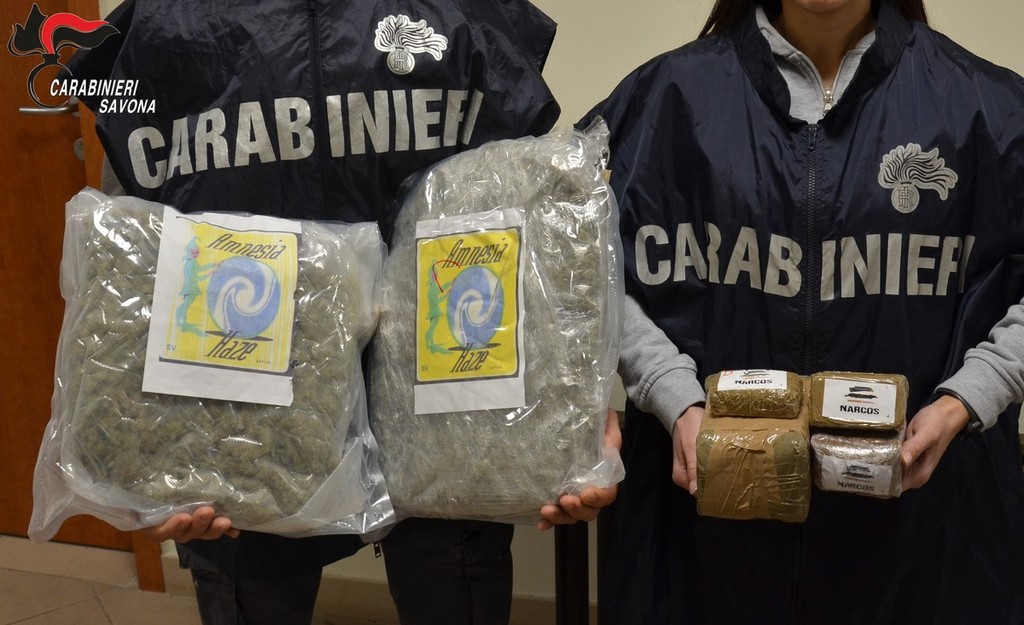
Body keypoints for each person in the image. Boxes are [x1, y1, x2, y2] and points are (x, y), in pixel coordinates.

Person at [65, 1, 617, 624]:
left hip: (448, 401)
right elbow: (133, 245)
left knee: (451, 584)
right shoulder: (167, 24)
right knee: (253, 588)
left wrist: (575, 404)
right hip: (240, 414)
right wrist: (138, 446)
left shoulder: (464, 16)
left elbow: (533, 221)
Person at [587, 0, 1024, 623]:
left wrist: (970, 396)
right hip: (703, 545)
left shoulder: (989, 108)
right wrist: (671, 393)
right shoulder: (663, 102)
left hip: (924, 542)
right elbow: (577, 263)